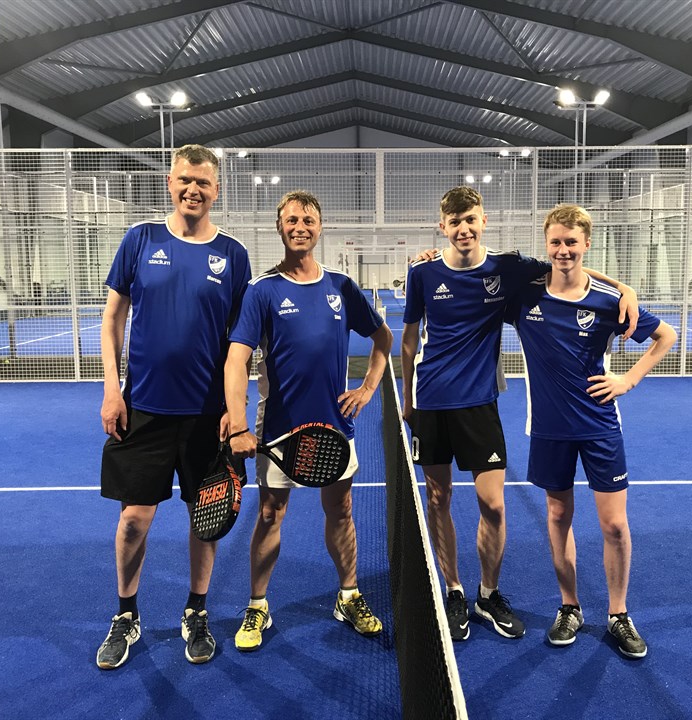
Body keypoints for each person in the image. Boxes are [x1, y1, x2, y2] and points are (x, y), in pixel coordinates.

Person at [400, 185, 637, 642]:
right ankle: (453, 590)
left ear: (483, 221)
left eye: (471, 219)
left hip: (480, 402)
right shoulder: (422, 273)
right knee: (438, 498)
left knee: (493, 504)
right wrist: (407, 399)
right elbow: (409, 341)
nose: (464, 229)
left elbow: (566, 264)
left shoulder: (508, 268)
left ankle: (488, 594)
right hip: (430, 402)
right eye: (455, 222)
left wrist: (623, 287)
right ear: (442, 226)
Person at [95, 144, 251, 670]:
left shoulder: (233, 255)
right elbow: (112, 318)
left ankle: (196, 610)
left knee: (204, 519)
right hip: (144, 409)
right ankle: (126, 614)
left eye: (203, 182)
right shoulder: (140, 239)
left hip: (207, 415)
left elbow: (240, 343)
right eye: (185, 179)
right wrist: (111, 389)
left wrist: (234, 408)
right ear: (170, 182)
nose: (193, 189)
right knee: (134, 521)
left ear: (216, 189)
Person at [224, 190, 393, 652]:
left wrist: (367, 389)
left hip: (336, 427)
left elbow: (382, 337)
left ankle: (348, 596)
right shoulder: (261, 290)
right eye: (292, 220)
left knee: (342, 510)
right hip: (279, 427)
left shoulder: (341, 286)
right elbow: (236, 359)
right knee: (269, 514)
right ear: (280, 227)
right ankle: (257, 605)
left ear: (320, 227)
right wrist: (238, 424)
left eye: (309, 220)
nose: (300, 227)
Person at [508, 204, 677, 659]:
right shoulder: (524, 296)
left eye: (572, 242)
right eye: (556, 242)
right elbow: (476, 269)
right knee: (557, 516)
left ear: (586, 243)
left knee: (615, 525)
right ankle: (570, 606)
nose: (563, 250)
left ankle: (618, 614)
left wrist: (628, 380)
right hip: (549, 429)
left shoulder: (608, 302)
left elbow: (667, 336)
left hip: (599, 425)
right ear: (547, 244)